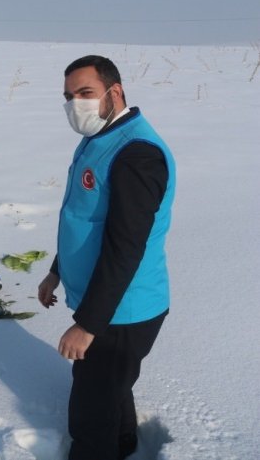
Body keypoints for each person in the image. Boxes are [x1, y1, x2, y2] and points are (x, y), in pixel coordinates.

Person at [38, 55, 175, 459]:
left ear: (114, 92)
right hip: (108, 306)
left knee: (90, 416)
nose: (74, 104)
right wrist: (55, 272)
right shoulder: (99, 138)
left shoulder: (137, 154)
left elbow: (125, 247)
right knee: (111, 391)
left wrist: (87, 324)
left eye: (85, 93)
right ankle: (124, 442)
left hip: (122, 313)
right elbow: (84, 220)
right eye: (68, 96)